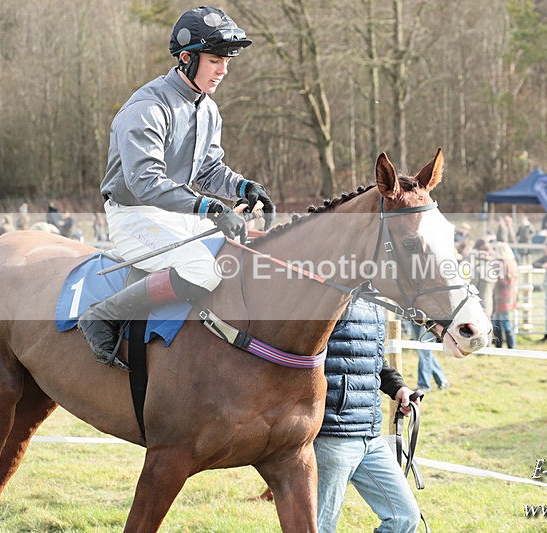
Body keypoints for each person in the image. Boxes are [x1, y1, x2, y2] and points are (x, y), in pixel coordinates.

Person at [77, 6, 276, 369]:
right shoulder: (147, 108)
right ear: (186, 58)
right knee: (202, 269)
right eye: (216, 60)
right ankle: (101, 316)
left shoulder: (208, 109)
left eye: (226, 61)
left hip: (180, 214)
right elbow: (146, 182)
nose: (224, 70)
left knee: (241, 257)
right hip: (135, 216)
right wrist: (212, 209)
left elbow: (210, 170)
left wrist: (245, 188)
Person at [315, 299, 421, 533]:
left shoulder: (372, 303)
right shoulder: (328, 296)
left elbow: (373, 362)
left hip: (371, 438)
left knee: (404, 517)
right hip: (332, 435)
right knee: (319, 527)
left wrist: (398, 388)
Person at [491, 241, 518, 349]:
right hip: (509, 295)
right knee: (500, 320)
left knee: (502, 321)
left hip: (501, 295)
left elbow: (501, 280)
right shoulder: (512, 262)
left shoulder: (500, 263)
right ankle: (508, 345)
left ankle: (505, 346)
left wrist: (493, 279)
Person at [414, 322, 449, 391]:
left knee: (423, 349)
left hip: (431, 319)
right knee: (425, 352)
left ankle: (424, 385)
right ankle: (443, 381)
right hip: (413, 318)